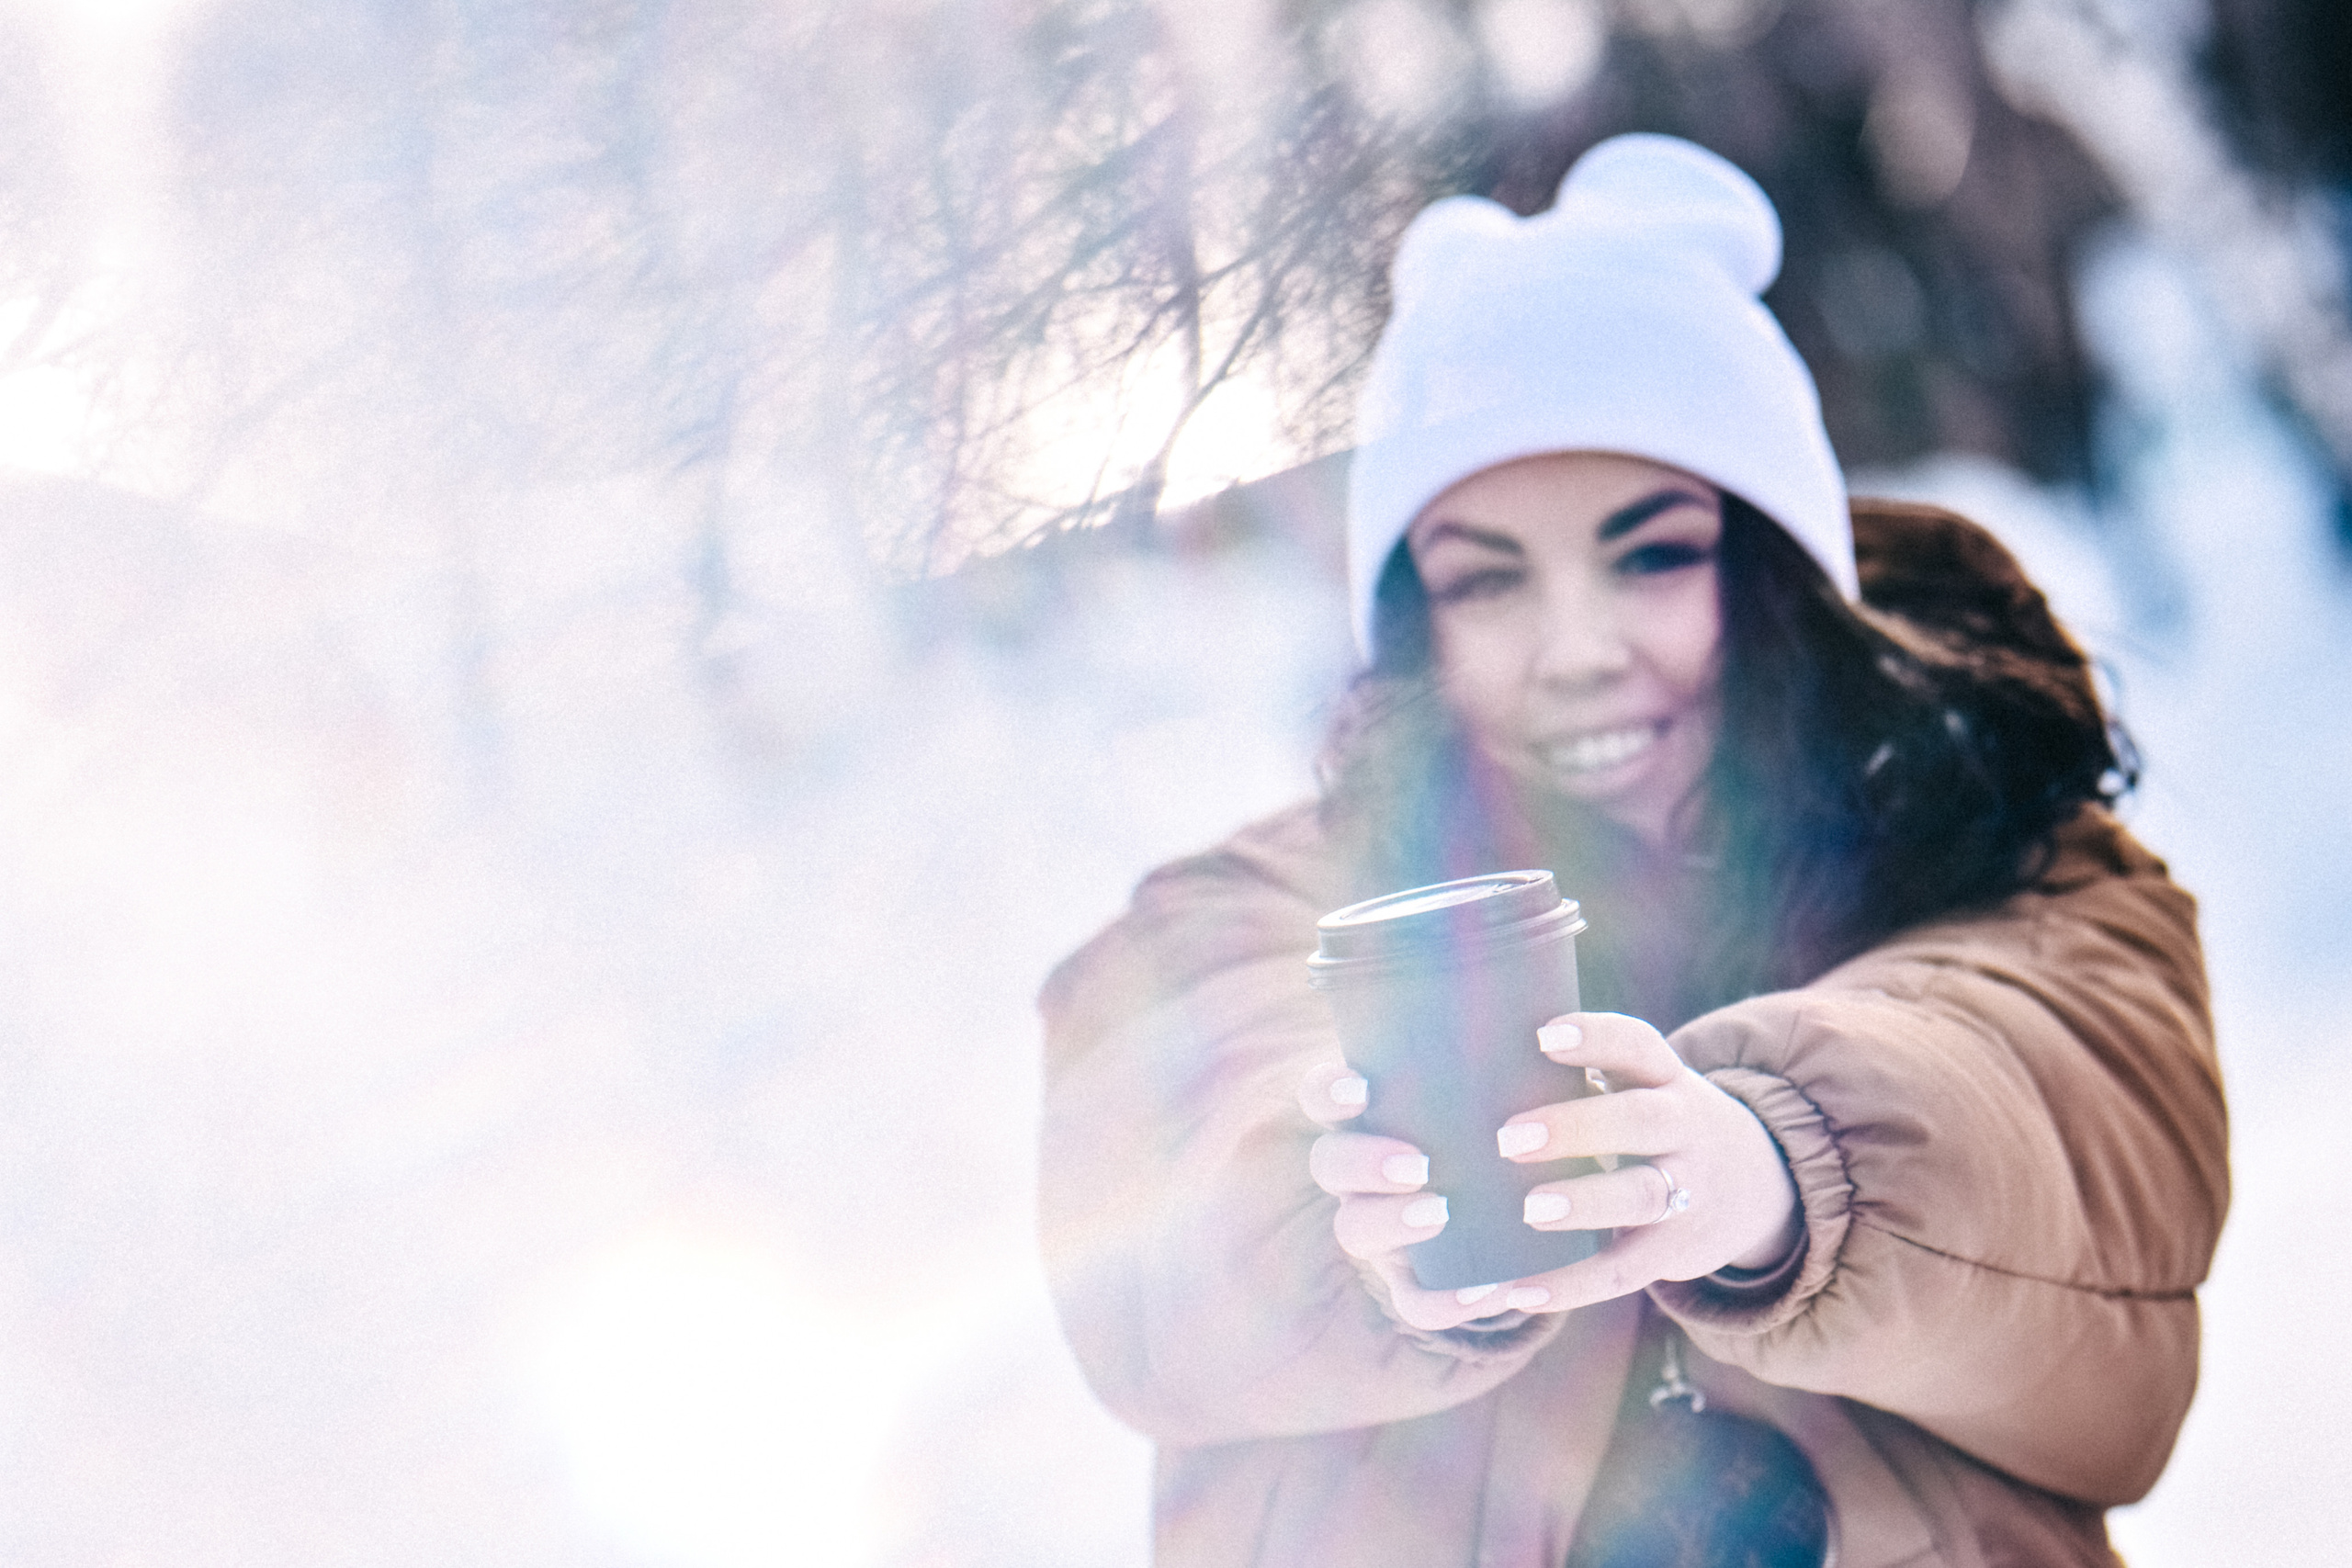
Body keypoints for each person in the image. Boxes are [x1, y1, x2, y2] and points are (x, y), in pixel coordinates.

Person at [1037, 135, 2225, 1568]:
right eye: (1486, 580)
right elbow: (1167, 1192)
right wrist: (1360, 1203)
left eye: (1652, 553)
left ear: (1772, 567)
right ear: (1416, 623)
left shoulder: (2020, 861)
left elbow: (2053, 1102)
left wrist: (1776, 1169)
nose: (1576, 654)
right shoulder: (1244, 909)